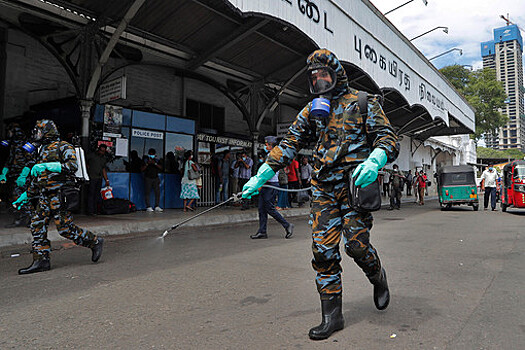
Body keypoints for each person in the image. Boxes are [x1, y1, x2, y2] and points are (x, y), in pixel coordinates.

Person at [241, 49, 399, 340]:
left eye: (323, 74)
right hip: (323, 189)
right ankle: (332, 317)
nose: (318, 80)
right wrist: (261, 175)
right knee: (322, 251)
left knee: (357, 246)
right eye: (314, 76)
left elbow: (388, 138)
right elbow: (288, 144)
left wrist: (375, 159)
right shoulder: (313, 108)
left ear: (337, 73)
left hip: (354, 188)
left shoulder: (364, 102)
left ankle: (378, 276)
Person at [12, 119, 103, 274]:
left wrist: (48, 165)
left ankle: (94, 241)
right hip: (44, 196)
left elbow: (72, 166)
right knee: (37, 225)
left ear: (48, 131)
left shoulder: (64, 146)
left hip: (60, 196)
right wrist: (26, 196)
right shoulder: (41, 149)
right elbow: (38, 177)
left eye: (40, 131)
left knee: (65, 229)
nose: (37, 134)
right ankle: (41, 260)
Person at [250, 136, 294, 239]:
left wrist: (260, 184)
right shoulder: (271, 155)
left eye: (266, 144)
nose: (265, 146)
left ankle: (287, 225)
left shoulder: (273, 156)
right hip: (267, 184)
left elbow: (269, 173)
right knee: (262, 208)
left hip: (271, 184)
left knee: (269, 208)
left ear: (270, 145)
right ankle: (262, 231)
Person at [1, 123, 35, 228]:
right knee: (14, 198)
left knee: (23, 197)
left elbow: (31, 161)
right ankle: (20, 219)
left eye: (10, 131)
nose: (8, 134)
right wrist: (3, 173)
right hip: (14, 175)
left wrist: (23, 175)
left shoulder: (26, 144)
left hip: (23, 176)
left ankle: (31, 220)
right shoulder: (12, 144)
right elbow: (10, 160)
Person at [86, 144, 110, 216]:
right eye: (101, 150)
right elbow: (85, 162)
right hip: (92, 177)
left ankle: (95, 210)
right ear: (98, 149)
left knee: (97, 195)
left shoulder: (103, 158)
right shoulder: (92, 155)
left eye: (103, 151)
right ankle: (90, 211)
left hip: (99, 178)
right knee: (91, 194)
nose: (102, 152)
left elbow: (103, 169)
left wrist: (106, 180)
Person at [141, 148, 163, 212]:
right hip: (148, 178)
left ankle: (157, 206)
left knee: (157, 192)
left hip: (155, 177)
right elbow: (141, 169)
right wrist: (147, 164)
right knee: (147, 192)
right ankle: (148, 206)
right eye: (150, 154)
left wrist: (155, 163)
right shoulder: (145, 160)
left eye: (152, 154)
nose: (151, 155)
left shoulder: (157, 160)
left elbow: (161, 168)